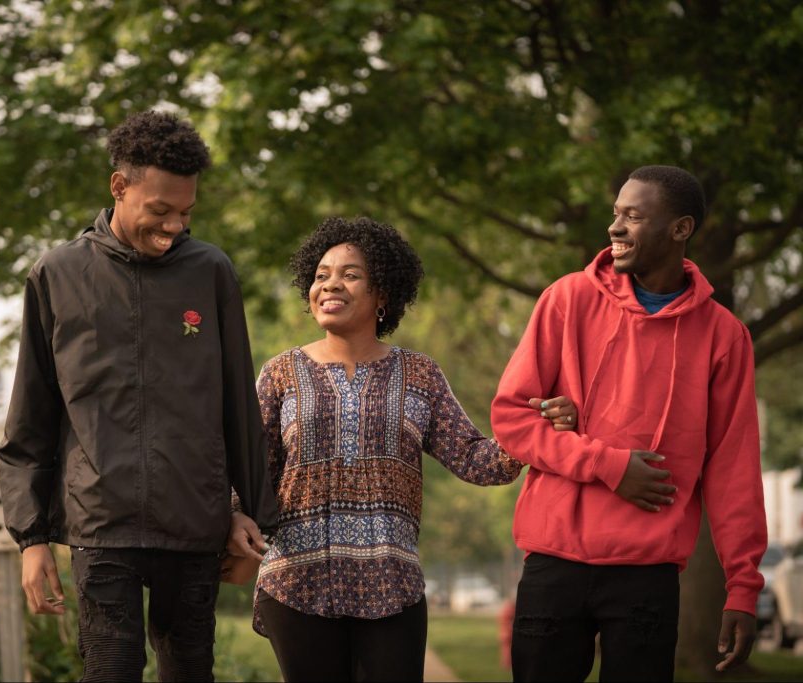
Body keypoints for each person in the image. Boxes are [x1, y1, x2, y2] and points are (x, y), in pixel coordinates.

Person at [0, 110, 279, 682]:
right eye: (160, 210)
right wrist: (31, 538)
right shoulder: (57, 275)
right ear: (119, 187)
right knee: (110, 671)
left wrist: (251, 512)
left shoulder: (211, 271)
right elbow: (31, 416)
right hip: (102, 524)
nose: (174, 226)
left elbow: (236, 408)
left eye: (186, 212)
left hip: (195, 520)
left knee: (189, 671)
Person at [229, 216, 577, 682]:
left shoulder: (419, 375)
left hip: (392, 584)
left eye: (350, 275)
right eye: (321, 275)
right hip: (298, 581)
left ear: (383, 296)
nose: (331, 285)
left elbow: (476, 460)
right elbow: (250, 470)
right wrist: (232, 518)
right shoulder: (280, 374)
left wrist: (539, 427)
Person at [491, 165, 767, 681]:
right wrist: (608, 464)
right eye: (616, 214)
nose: (615, 228)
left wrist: (743, 586)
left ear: (680, 228)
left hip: (648, 573)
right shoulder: (567, 299)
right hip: (555, 561)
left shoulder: (724, 337)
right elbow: (511, 417)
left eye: (634, 216)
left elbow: (734, 469)